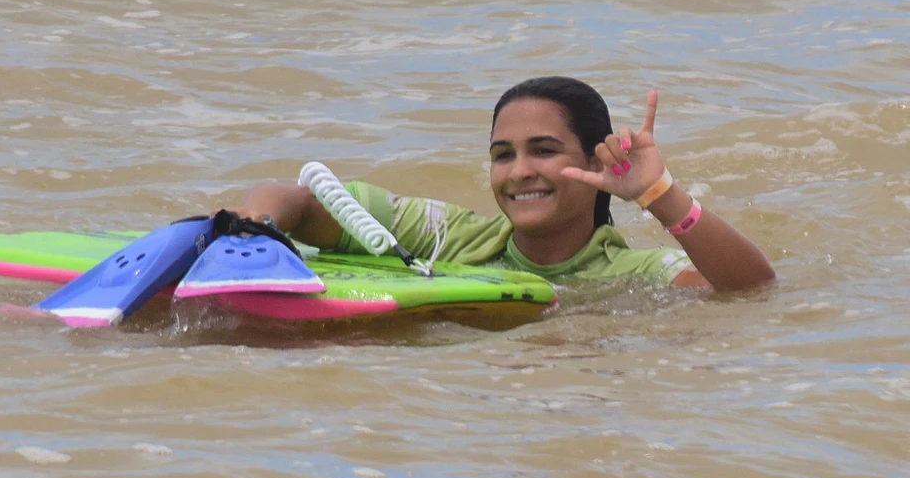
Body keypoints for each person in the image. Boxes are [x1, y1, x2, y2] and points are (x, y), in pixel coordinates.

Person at [229, 76, 775, 291]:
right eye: (502, 155)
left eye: (544, 151)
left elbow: (750, 291)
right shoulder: (445, 234)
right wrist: (252, 233)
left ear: (597, 166)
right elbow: (294, 198)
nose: (518, 173)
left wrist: (660, 195)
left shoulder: (629, 275)